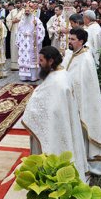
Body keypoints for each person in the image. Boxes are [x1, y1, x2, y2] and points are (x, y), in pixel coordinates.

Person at [21, 46, 88, 182]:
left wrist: (32, 106)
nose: (38, 63)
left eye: (41, 60)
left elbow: (50, 106)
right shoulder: (62, 73)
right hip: (61, 121)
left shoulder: (57, 81)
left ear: (50, 61)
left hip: (56, 125)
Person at [62, 28, 101, 176]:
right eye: (69, 39)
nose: (69, 42)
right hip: (71, 102)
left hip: (83, 105)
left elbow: (85, 86)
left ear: (81, 41)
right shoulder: (72, 54)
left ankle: (89, 164)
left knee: (83, 134)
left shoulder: (86, 58)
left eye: (72, 39)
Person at [16, 3, 45, 82]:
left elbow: (41, 31)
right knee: (24, 60)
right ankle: (24, 77)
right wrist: (19, 41)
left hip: (32, 44)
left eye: (28, 11)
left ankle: (33, 77)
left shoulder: (36, 20)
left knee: (32, 61)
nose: (27, 12)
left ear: (31, 12)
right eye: (26, 11)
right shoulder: (22, 21)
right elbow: (18, 31)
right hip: (23, 46)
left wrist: (34, 33)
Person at [6, 0, 24, 70]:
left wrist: (19, 20)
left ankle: (22, 63)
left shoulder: (24, 11)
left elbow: (27, 19)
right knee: (14, 47)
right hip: (14, 31)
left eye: (19, 3)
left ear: (21, 4)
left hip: (22, 32)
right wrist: (12, 21)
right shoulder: (12, 11)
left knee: (22, 47)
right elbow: (7, 19)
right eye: (16, 3)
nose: (17, 4)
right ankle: (14, 65)